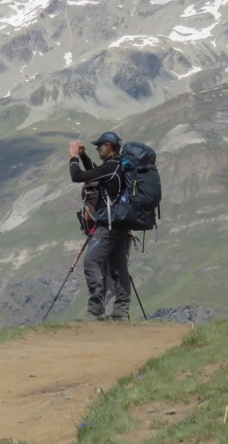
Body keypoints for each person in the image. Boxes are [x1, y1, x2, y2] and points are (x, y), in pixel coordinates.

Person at [68, 131, 133, 321]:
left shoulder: (111, 167)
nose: (97, 149)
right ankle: (120, 312)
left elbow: (78, 175)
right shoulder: (117, 167)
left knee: (91, 261)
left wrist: (73, 157)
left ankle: (96, 311)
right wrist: (83, 156)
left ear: (109, 146)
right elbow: (96, 173)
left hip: (109, 226)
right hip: (122, 225)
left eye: (100, 145)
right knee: (118, 266)